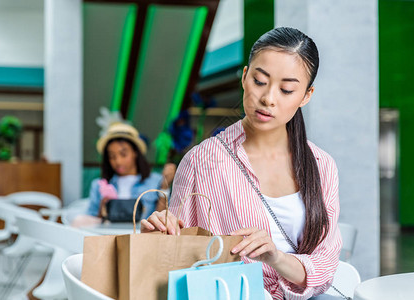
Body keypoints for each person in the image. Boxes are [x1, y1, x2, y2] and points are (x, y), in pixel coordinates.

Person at [141, 27, 342, 300]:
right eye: (260, 81)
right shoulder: (202, 161)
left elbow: (325, 267)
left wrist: (275, 257)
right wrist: (159, 235)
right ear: (245, 77)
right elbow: (179, 261)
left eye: (286, 90)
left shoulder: (321, 165)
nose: (269, 98)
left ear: (306, 96)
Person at [71, 123, 176, 227]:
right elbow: (90, 223)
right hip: (108, 238)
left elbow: (163, 221)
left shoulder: (156, 181)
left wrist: (164, 187)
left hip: (141, 239)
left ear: (135, 152)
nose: (118, 161)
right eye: (112, 156)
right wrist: (102, 208)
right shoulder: (99, 185)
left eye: (123, 154)